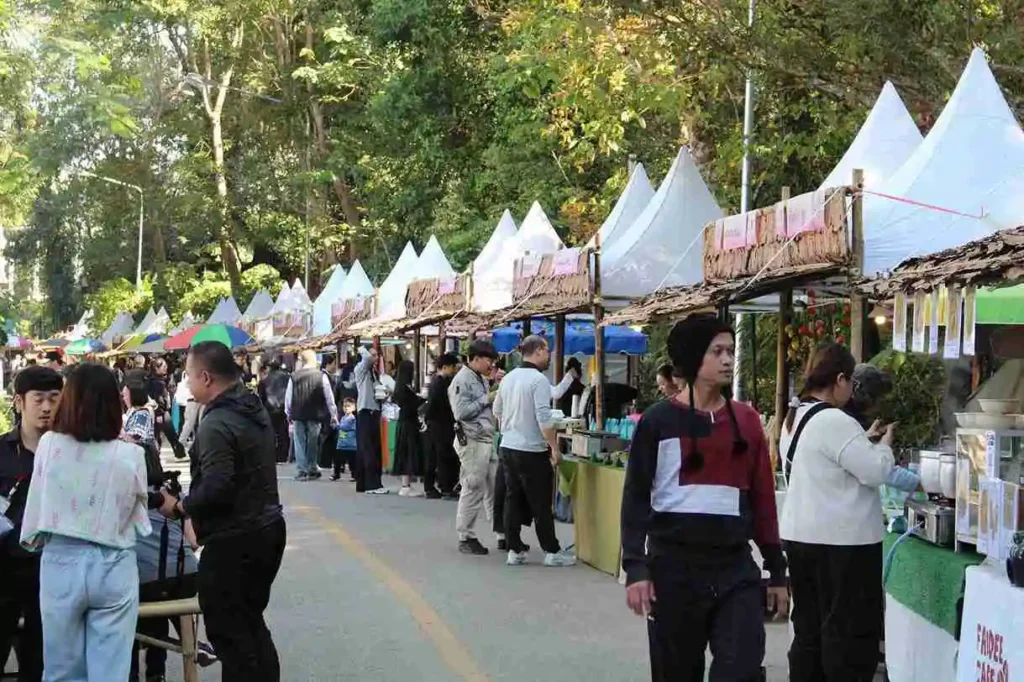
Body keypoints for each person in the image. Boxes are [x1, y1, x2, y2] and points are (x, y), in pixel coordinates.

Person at [620, 314, 787, 682]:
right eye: (717, 351)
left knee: (741, 669)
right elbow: (635, 499)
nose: (728, 359)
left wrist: (777, 571)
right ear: (695, 358)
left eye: (730, 350)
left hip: (735, 572)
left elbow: (762, 500)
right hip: (672, 571)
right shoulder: (657, 421)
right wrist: (636, 568)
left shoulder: (746, 422)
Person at [779, 343, 919, 682]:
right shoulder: (834, 420)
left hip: (801, 537)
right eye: (849, 383)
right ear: (841, 379)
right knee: (848, 636)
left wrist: (863, 441)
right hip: (842, 545)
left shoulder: (794, 417)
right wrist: (883, 446)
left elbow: (831, 462)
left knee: (810, 631)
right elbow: (875, 471)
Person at [159, 341, 286, 682]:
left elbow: (217, 485)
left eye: (188, 376)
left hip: (236, 540)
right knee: (249, 625)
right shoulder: (250, 406)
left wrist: (181, 506)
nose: (186, 383)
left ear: (205, 376)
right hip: (268, 529)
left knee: (231, 633)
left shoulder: (216, 423)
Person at [20, 363, 150, 681]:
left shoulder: (50, 446)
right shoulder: (131, 455)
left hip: (61, 561)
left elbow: (35, 511)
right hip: (114, 564)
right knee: (110, 672)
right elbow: (139, 521)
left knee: (61, 670)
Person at [0, 367, 63, 682]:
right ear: (20, 402)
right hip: (4, 572)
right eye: (38, 399)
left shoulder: (71, 452)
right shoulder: (1, 451)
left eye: (54, 399)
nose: (47, 407)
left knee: (39, 666)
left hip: (51, 574)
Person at [493, 335, 576, 567]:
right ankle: (551, 551)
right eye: (547, 350)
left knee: (513, 498)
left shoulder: (508, 378)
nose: (549, 355)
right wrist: (554, 448)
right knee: (540, 502)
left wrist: (510, 427)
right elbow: (544, 418)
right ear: (538, 351)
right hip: (531, 450)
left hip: (508, 447)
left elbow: (497, 409)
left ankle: (514, 549)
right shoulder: (538, 380)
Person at [449, 339, 501, 555]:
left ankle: (501, 532)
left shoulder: (478, 377)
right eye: (488, 360)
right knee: (473, 487)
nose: (491, 365)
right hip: (472, 441)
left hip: (485, 439)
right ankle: (466, 535)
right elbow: (461, 412)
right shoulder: (462, 380)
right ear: (476, 359)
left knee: (493, 488)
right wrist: (487, 398)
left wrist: (493, 387)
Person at [285, 349, 339, 481]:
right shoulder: (321, 376)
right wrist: (333, 413)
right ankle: (312, 467)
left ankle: (302, 470)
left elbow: (289, 396)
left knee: (299, 441)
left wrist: (288, 412)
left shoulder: (294, 376)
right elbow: (329, 396)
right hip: (315, 413)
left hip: (298, 412)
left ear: (302, 361)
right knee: (313, 441)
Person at [424, 353, 460, 499]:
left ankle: (439, 486)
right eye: (453, 368)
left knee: (438, 456)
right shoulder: (441, 383)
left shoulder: (436, 382)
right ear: (445, 367)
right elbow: (434, 406)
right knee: (443, 456)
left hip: (438, 424)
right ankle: (445, 487)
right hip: (441, 425)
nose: (455, 371)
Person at [353, 344, 388, 494]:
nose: (374, 358)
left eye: (376, 355)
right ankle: (372, 485)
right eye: (372, 355)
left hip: (374, 412)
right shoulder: (361, 369)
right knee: (369, 449)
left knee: (369, 449)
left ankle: (364, 484)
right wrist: (362, 348)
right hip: (365, 411)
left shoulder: (373, 372)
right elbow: (366, 358)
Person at [391, 360, 426, 497]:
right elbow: (413, 404)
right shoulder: (406, 389)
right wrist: (422, 399)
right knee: (408, 454)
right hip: (409, 424)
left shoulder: (401, 387)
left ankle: (406, 485)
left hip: (404, 423)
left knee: (405, 453)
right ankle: (406, 486)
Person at [149, 357, 187, 459]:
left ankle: (178, 453)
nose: (166, 368)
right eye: (163, 366)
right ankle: (178, 454)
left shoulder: (157, 380)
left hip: (160, 412)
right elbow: (159, 399)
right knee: (166, 435)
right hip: (160, 412)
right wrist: (160, 412)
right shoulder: (157, 382)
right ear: (157, 368)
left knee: (163, 435)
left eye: (166, 366)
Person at [258, 358, 291, 463]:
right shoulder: (288, 378)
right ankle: (283, 455)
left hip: (269, 409)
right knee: (283, 433)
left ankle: (272, 455)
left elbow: (261, 397)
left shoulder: (264, 381)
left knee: (270, 433)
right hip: (283, 409)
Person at [333, 398, 358, 481]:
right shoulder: (343, 418)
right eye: (344, 406)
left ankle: (355, 475)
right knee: (337, 461)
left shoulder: (352, 419)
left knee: (352, 462)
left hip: (351, 444)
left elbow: (345, 427)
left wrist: (337, 425)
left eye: (349, 406)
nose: (346, 408)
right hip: (342, 443)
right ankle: (336, 474)